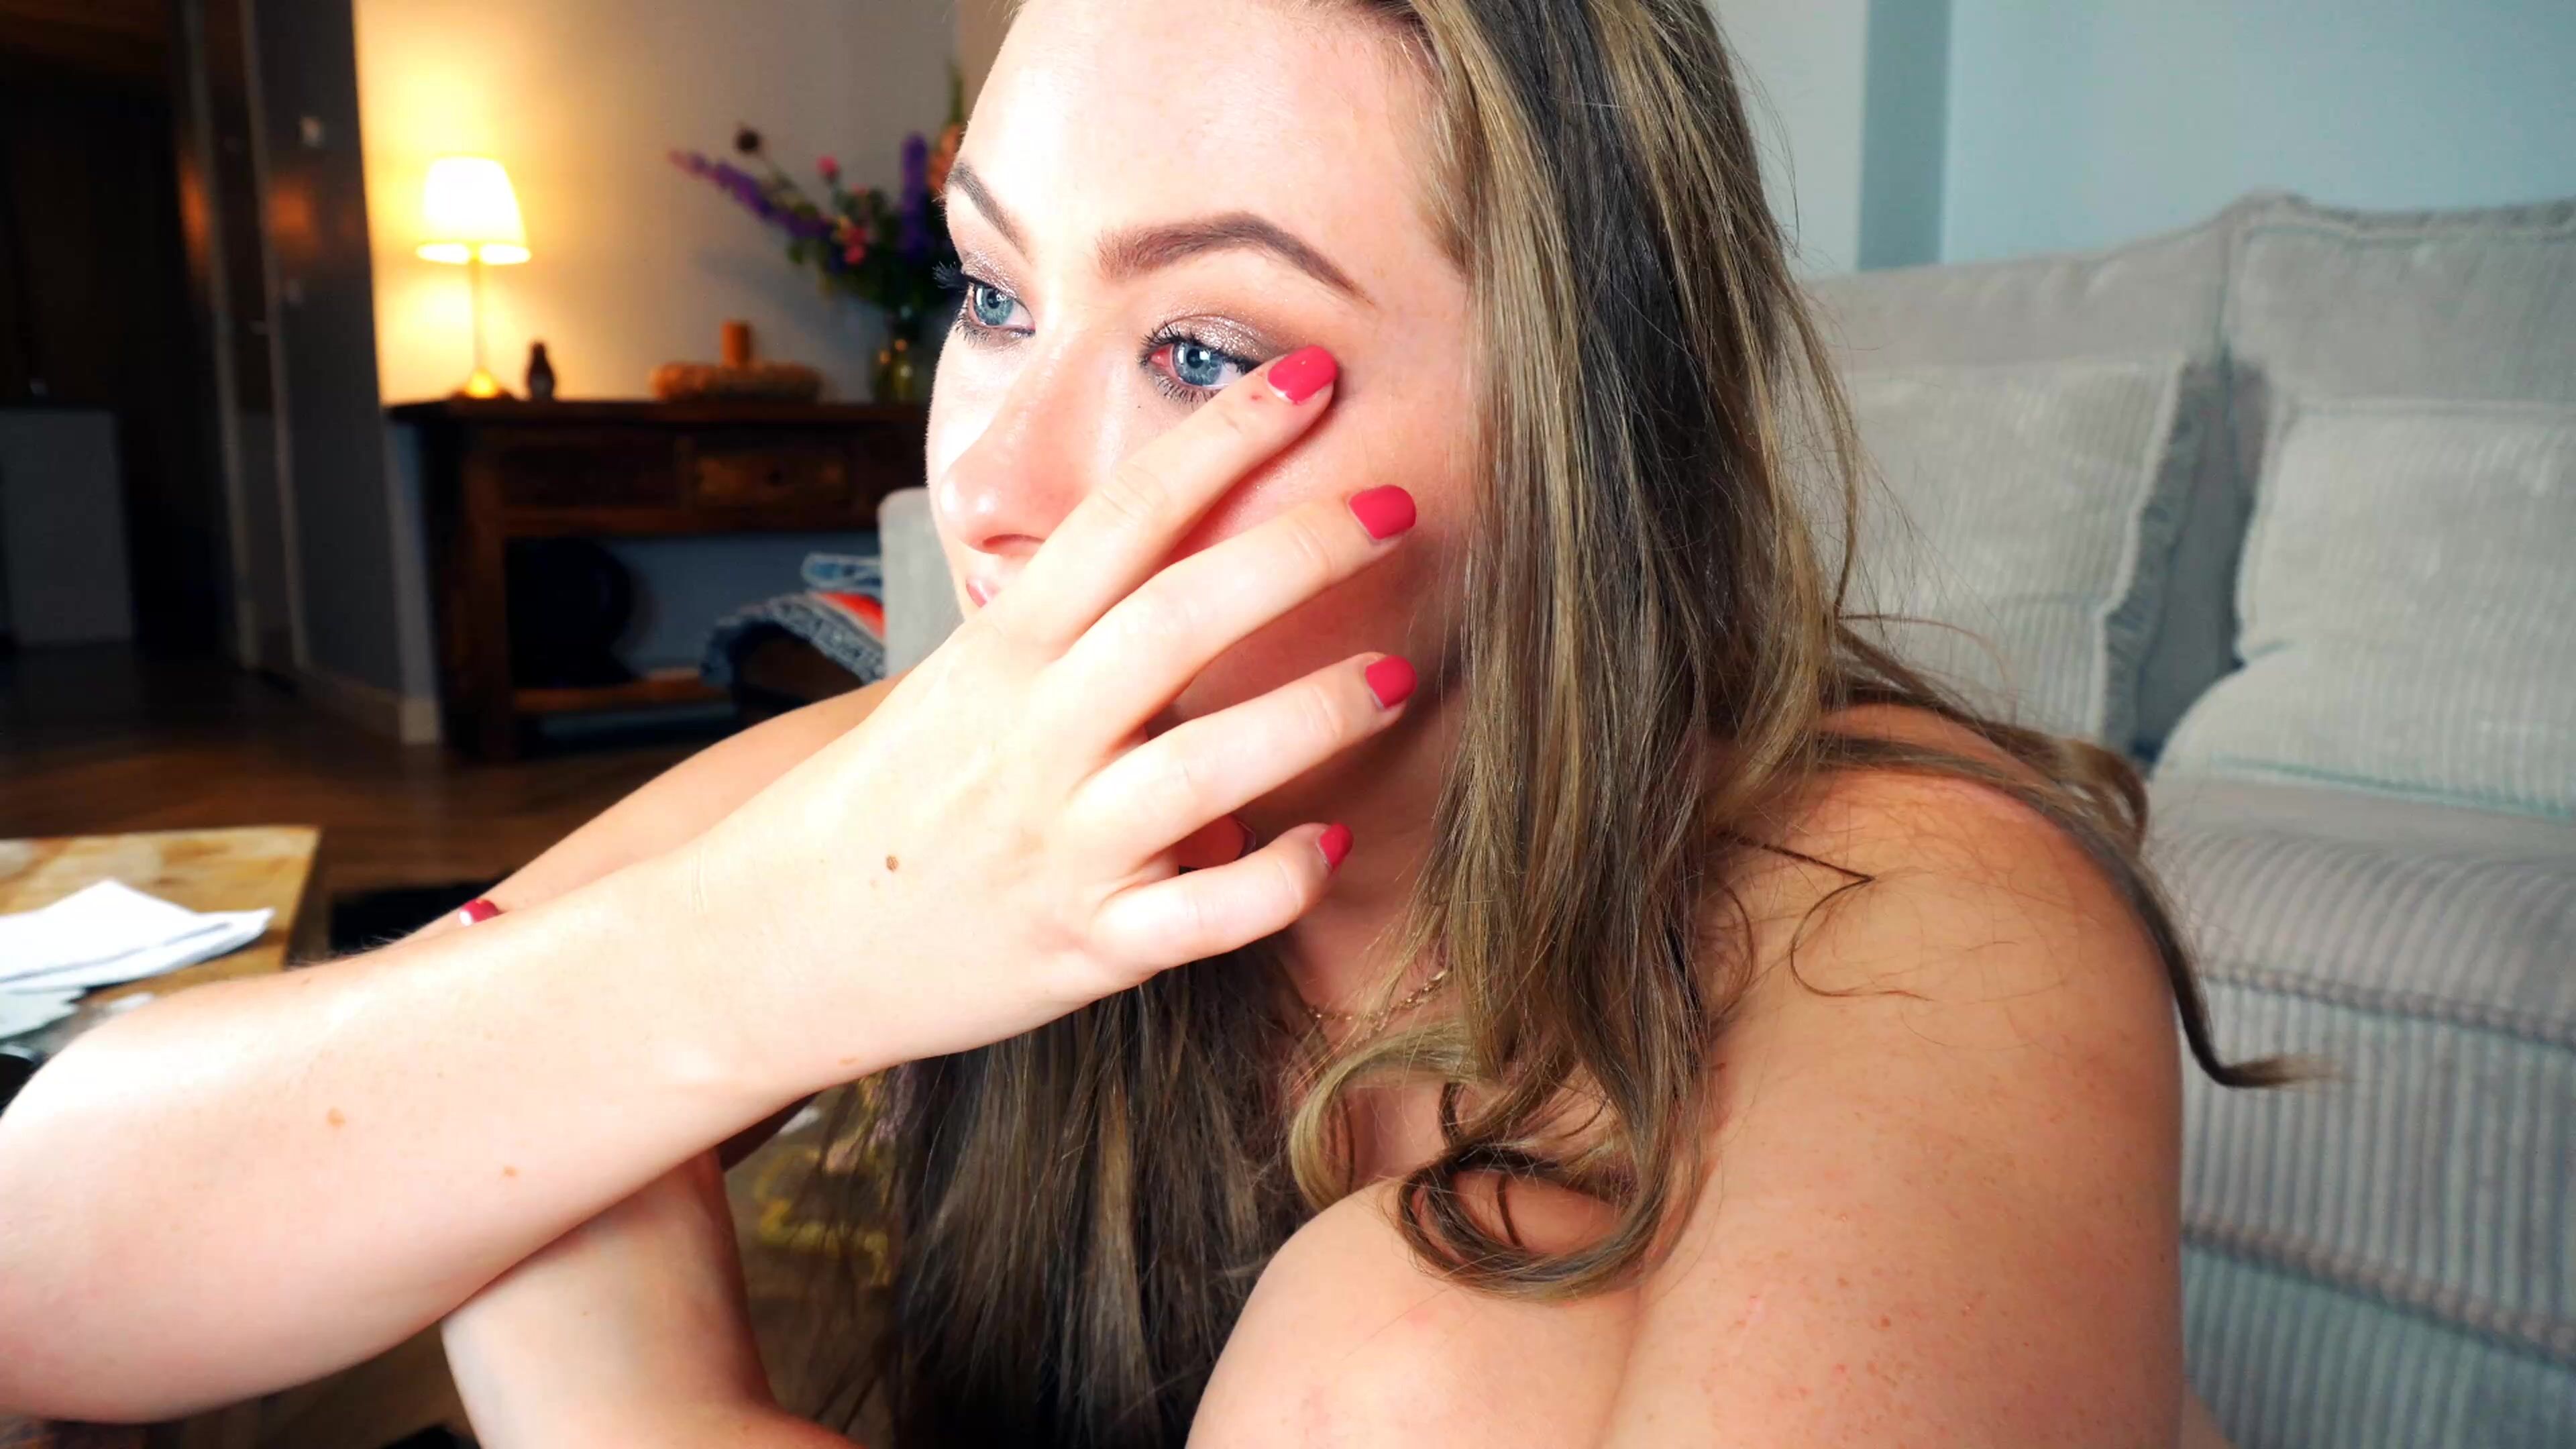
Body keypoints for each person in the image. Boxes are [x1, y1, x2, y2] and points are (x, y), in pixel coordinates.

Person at [0, 0, 2275, 1444]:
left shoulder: (1921, 911)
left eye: (1205, 352)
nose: (983, 486)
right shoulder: (982, 783)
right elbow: (45, 1252)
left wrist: (641, 1406)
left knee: (1428, 1331)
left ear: (1585, 441)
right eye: (995, 296)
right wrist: (722, 972)